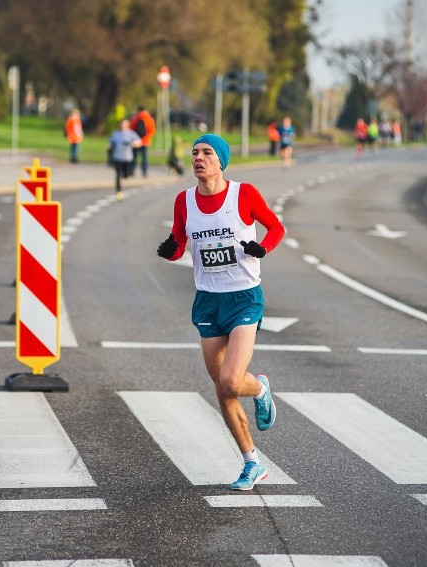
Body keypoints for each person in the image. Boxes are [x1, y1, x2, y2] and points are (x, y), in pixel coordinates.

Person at [156, 133, 284, 491]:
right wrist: (168, 250)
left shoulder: (243, 194)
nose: (198, 157)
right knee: (223, 390)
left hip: (244, 298)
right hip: (208, 300)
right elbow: (179, 244)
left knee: (231, 379)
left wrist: (262, 247)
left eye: (207, 152)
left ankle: (259, 389)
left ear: (221, 161)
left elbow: (276, 226)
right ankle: (252, 462)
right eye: (194, 152)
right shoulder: (184, 201)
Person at [107, 119, 141, 201]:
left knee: (126, 174)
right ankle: (119, 191)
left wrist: (134, 144)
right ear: (119, 125)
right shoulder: (115, 134)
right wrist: (109, 146)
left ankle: (125, 176)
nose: (123, 126)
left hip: (128, 158)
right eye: (121, 124)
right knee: (118, 175)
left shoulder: (131, 134)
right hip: (117, 158)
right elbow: (110, 142)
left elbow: (139, 142)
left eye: (124, 124)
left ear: (127, 125)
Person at [129, 105, 156, 177]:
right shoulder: (150, 119)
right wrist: (146, 138)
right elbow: (152, 131)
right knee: (144, 158)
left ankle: (131, 172)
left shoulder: (135, 118)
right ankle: (144, 172)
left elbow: (131, 130)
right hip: (146, 142)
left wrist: (135, 139)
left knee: (134, 157)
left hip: (135, 142)